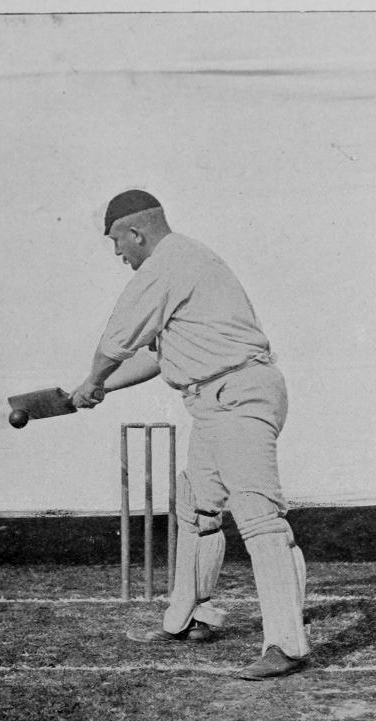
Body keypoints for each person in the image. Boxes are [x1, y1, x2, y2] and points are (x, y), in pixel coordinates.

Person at [71, 189, 309, 680]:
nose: (117, 253)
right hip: (216, 400)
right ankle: (193, 614)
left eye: (117, 242)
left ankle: (286, 645)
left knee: (259, 517)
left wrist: (92, 380)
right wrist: (101, 389)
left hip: (239, 395)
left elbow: (116, 341)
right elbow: (157, 357)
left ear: (137, 233)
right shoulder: (185, 262)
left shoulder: (167, 264)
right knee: (198, 508)